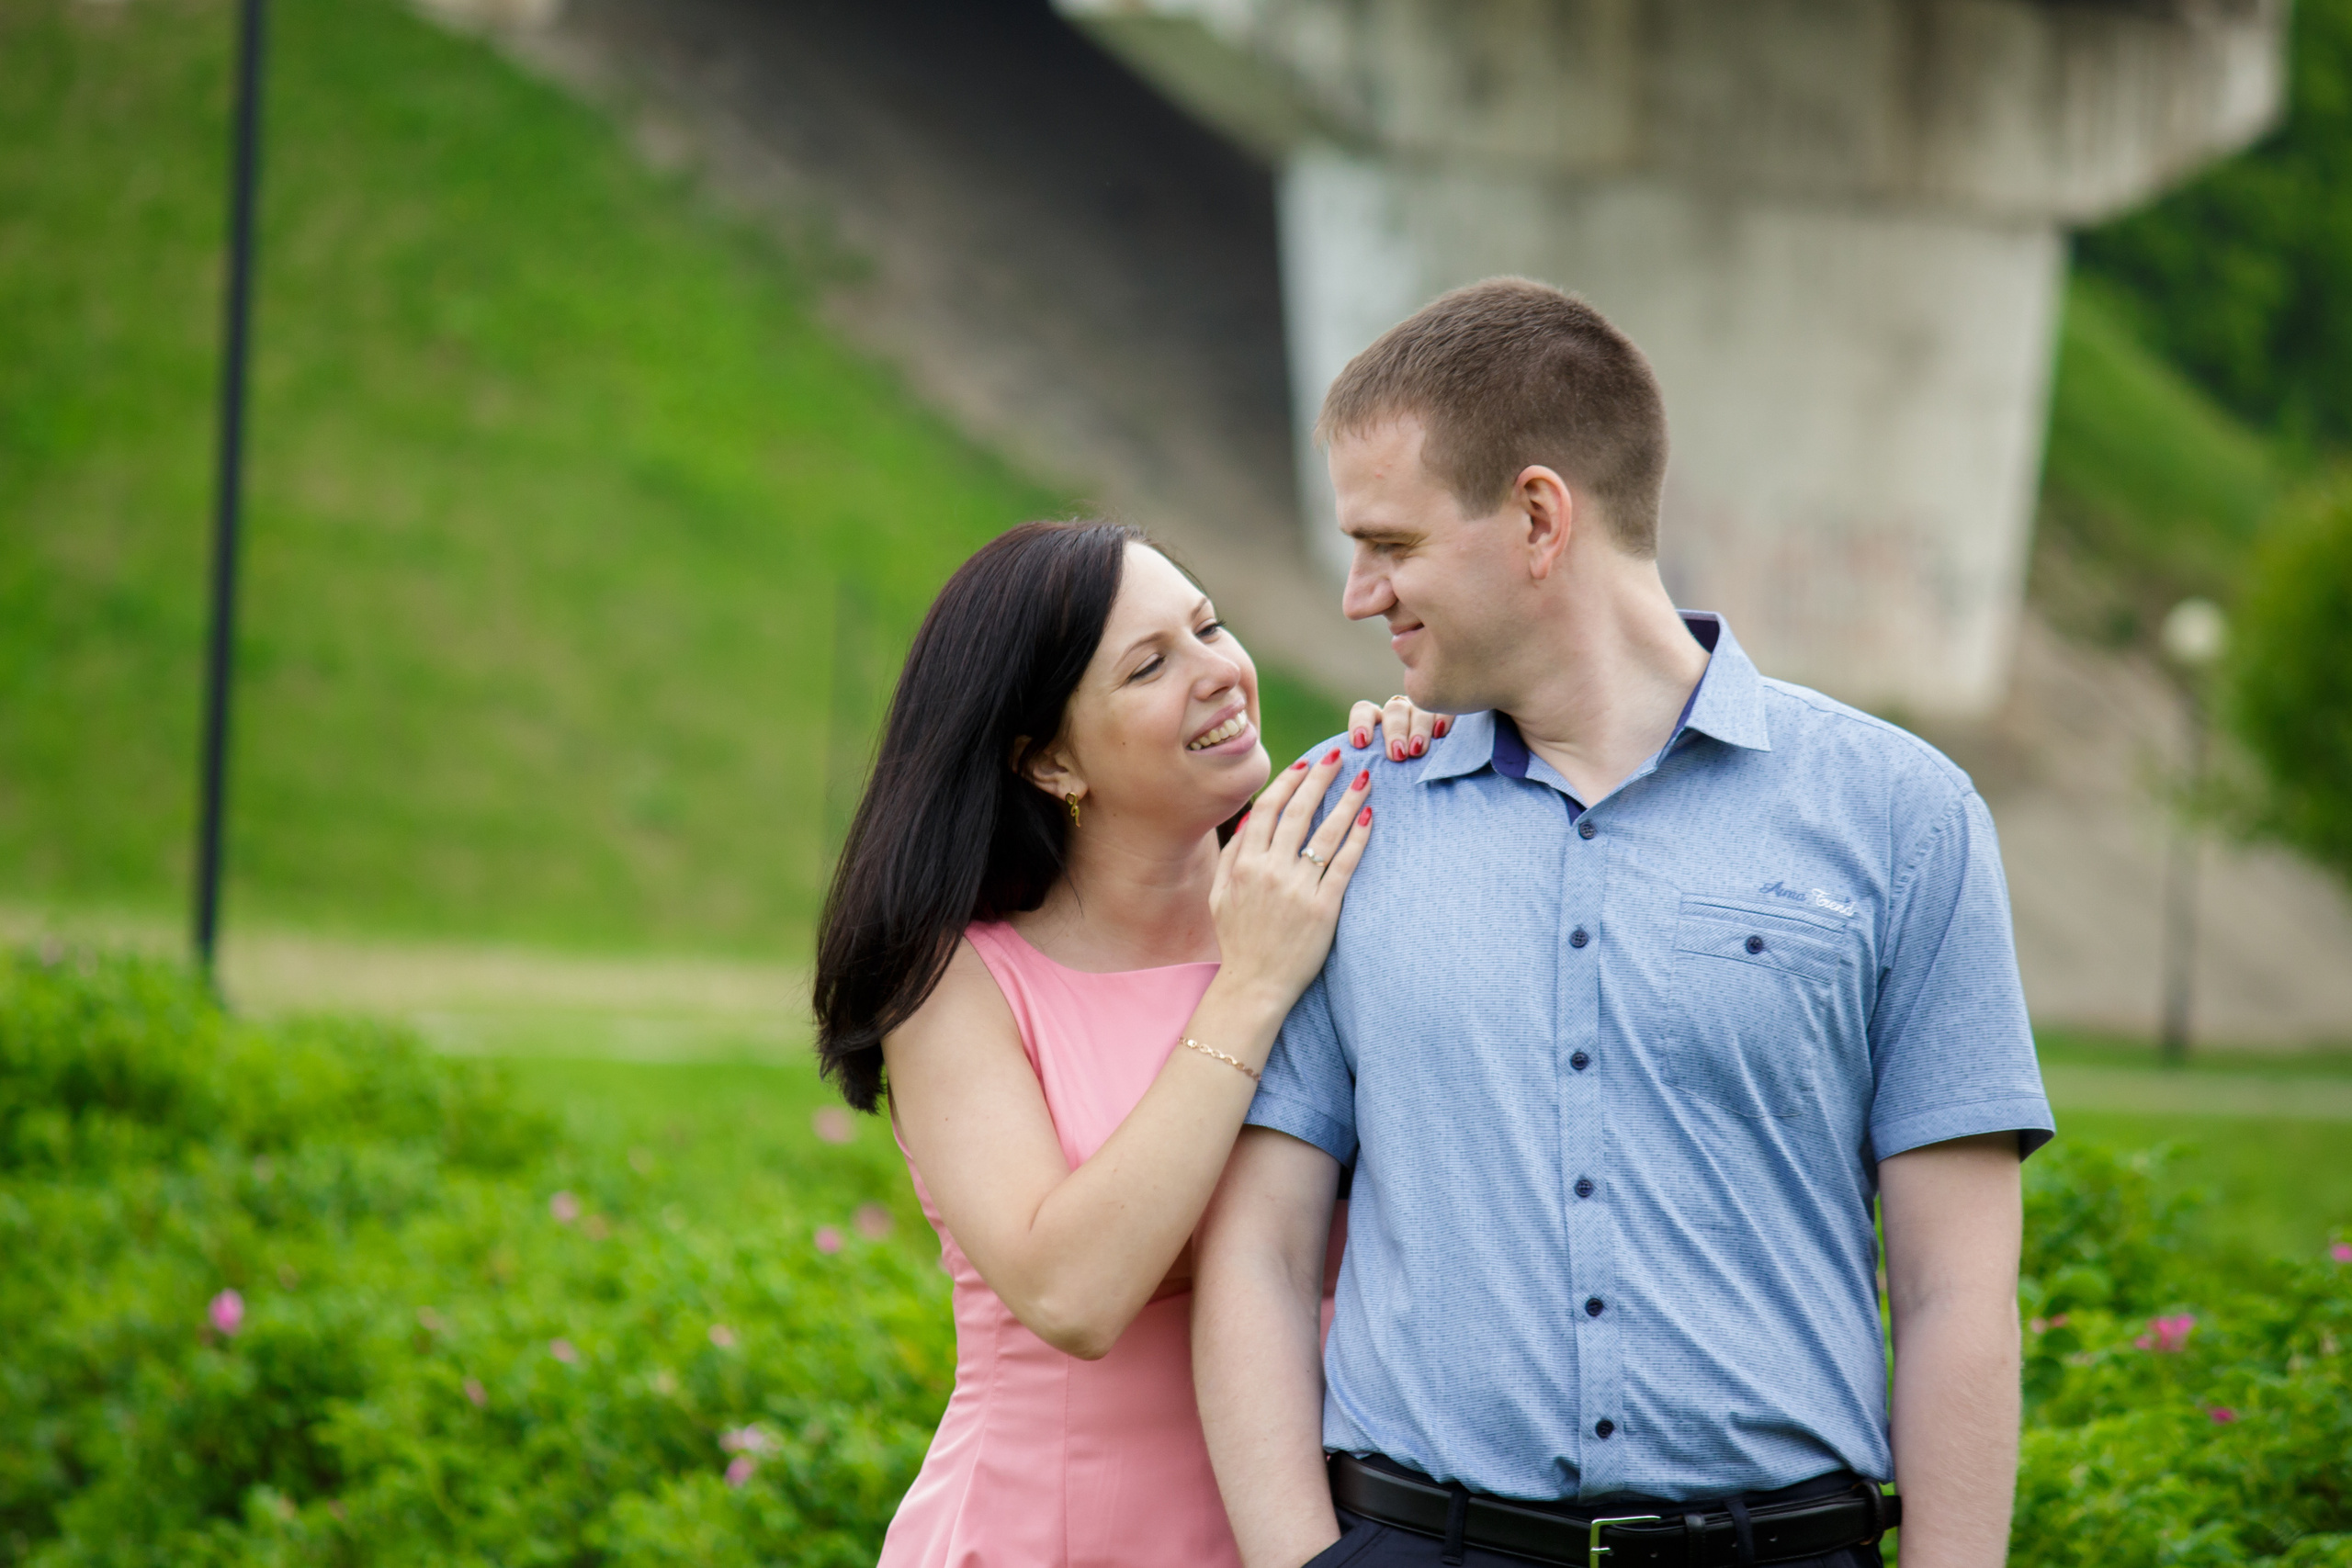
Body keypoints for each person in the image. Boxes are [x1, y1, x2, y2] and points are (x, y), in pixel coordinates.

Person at [1193, 279, 2055, 1568]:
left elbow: (1955, 1292)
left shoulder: (1903, 817)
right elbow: (1259, 1248)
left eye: (1392, 544)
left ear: (1539, 516)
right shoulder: (1335, 820)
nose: (1359, 594)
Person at [812, 520, 1441, 1568]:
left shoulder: (1329, 897)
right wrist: (1247, 987)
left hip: (1321, 1534)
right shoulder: (959, 980)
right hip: (1052, 1534)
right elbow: (1074, 1293)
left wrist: (1440, 778)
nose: (1220, 674)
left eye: (1208, 627)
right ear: (1050, 760)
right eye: (1150, 665)